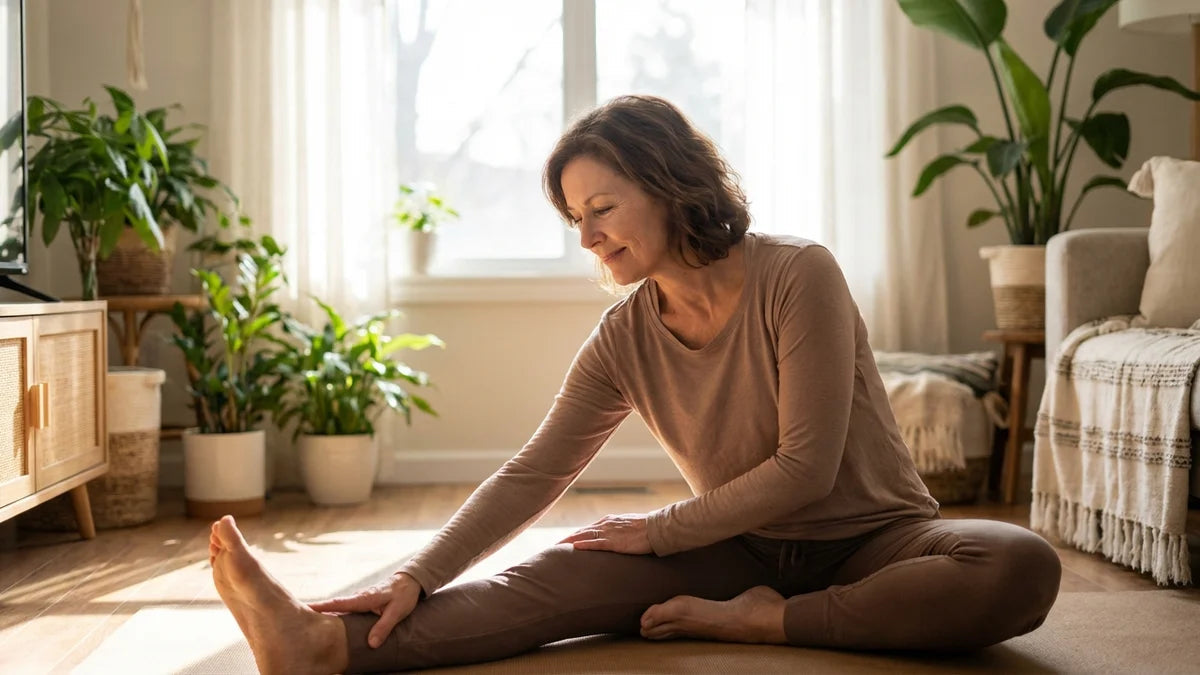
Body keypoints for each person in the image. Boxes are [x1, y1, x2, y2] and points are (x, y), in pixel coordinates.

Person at [208, 95, 1062, 674]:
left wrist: (661, 534)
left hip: (878, 540)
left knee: (1017, 564)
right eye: (575, 218)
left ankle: (770, 620)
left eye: (601, 209)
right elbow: (535, 471)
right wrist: (419, 572)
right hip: (738, 549)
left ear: (668, 182)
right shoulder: (625, 335)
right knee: (554, 577)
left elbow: (806, 468)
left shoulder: (798, 274)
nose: (587, 238)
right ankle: (322, 645)